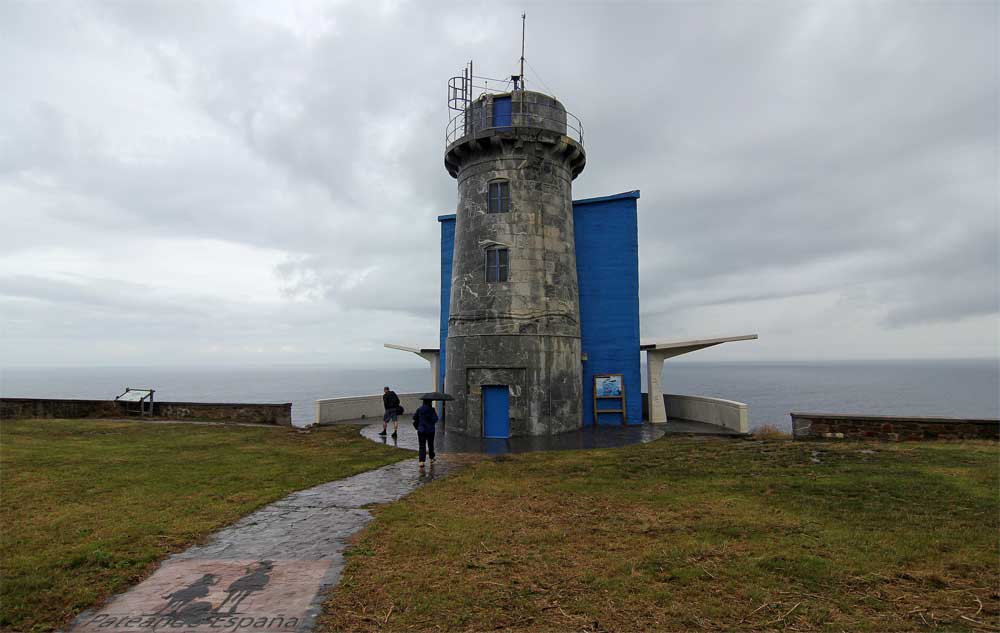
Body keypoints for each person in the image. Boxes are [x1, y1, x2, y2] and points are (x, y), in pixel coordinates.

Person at [412, 398, 438, 468]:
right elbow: (436, 419)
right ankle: (431, 458)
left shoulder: (419, 409)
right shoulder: (432, 410)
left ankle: (421, 461)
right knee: (430, 444)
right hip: (430, 430)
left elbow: (414, 417)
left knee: (422, 445)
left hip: (421, 430)